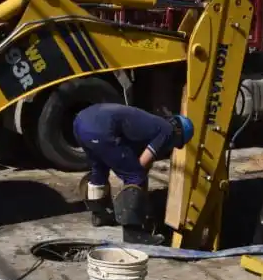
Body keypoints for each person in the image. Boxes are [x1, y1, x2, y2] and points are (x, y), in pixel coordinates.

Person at [73, 103, 195, 245]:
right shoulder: (167, 131)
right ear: (179, 135)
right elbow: (142, 163)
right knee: (135, 176)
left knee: (99, 168)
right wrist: (142, 204)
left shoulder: (152, 123)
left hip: (80, 122)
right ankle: (134, 233)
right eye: (177, 144)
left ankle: (100, 215)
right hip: (101, 129)